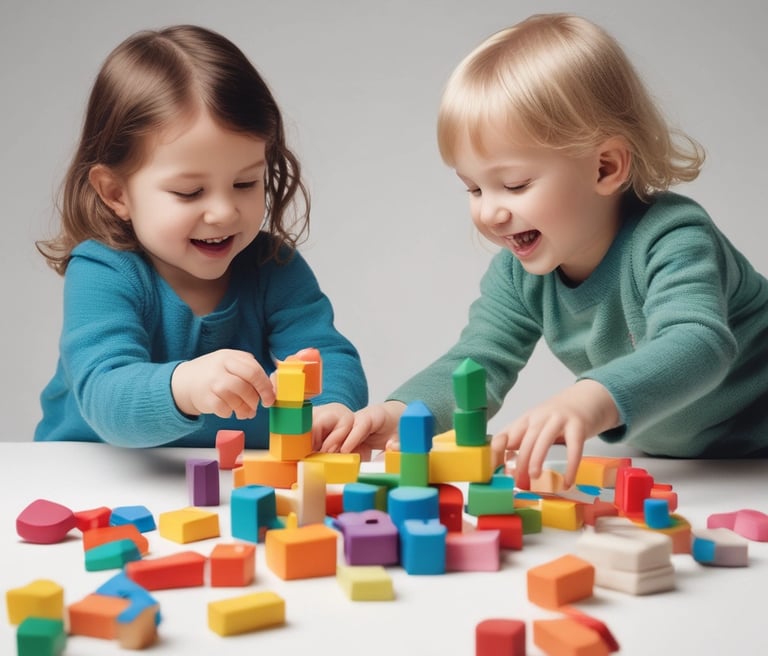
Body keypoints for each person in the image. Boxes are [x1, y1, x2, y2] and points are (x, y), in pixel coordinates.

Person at [321, 13, 768, 488]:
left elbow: (698, 343)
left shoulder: (672, 236)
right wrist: (401, 415)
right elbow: (477, 363)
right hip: (709, 465)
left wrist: (588, 399)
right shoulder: (519, 276)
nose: (490, 213)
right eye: (474, 189)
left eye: (515, 184)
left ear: (605, 167)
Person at [35, 24, 367, 449]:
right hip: (87, 471)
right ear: (116, 193)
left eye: (245, 183)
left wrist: (331, 406)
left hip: (231, 479)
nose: (224, 212)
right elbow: (105, 396)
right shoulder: (102, 271)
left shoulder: (274, 268)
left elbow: (328, 355)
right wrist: (184, 387)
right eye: (190, 192)